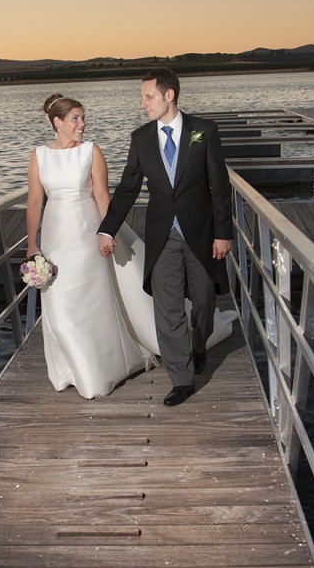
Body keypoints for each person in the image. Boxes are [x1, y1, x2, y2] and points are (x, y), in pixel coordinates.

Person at [98, 68, 233, 408]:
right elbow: (128, 188)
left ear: (168, 95)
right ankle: (182, 379)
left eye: (148, 97)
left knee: (203, 302)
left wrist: (223, 234)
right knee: (167, 309)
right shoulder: (141, 138)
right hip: (162, 236)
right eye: (143, 97)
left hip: (201, 234)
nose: (142, 104)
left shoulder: (204, 131)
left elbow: (219, 187)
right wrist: (107, 228)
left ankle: (198, 345)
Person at [25, 93, 154, 400]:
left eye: (83, 118)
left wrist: (107, 233)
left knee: (91, 300)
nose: (82, 124)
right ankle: (69, 368)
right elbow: (33, 201)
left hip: (87, 233)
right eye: (75, 119)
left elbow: (102, 197)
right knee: (59, 304)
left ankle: (98, 370)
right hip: (55, 236)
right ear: (58, 122)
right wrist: (32, 243)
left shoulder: (91, 152)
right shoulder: (39, 156)